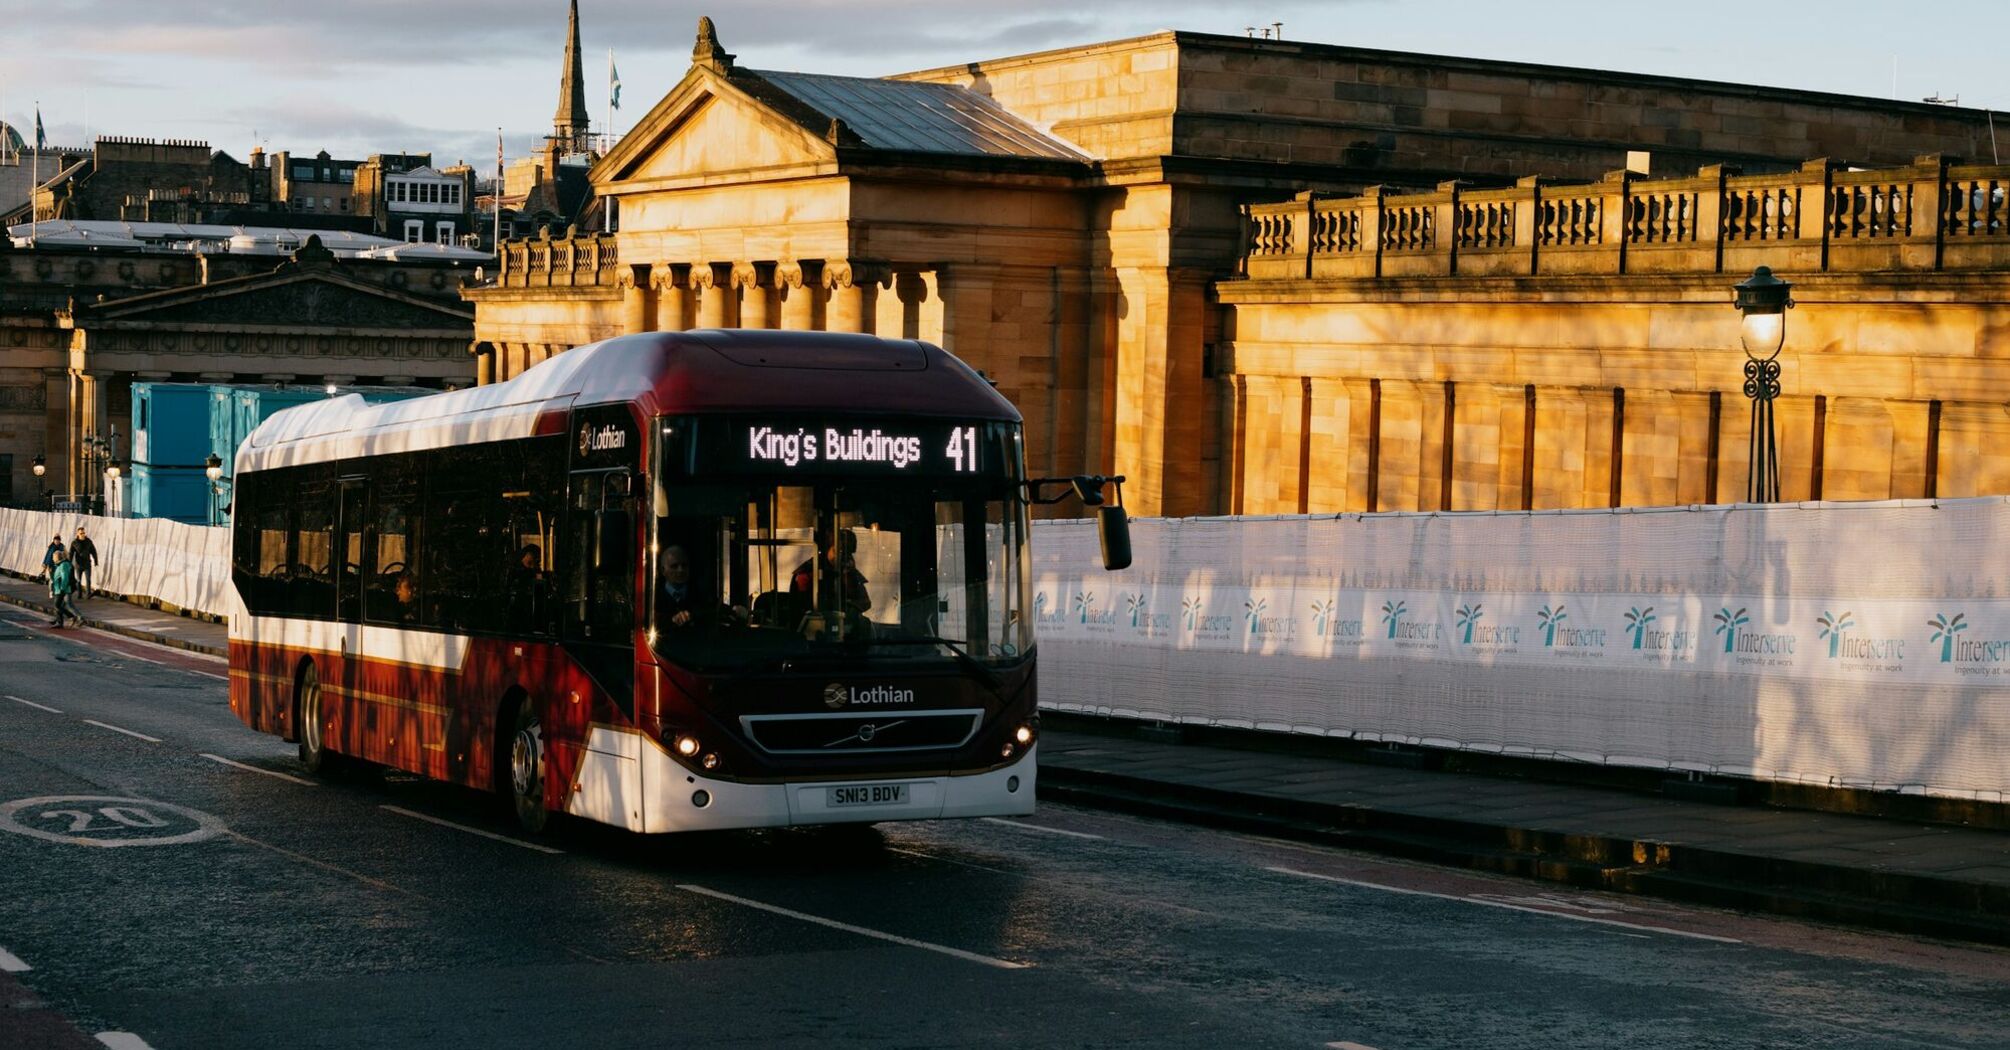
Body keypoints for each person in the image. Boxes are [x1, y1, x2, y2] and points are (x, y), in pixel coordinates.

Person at [790, 529, 871, 617]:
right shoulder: (808, 572)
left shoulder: (848, 570)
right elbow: (801, 605)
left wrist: (848, 576)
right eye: (838, 551)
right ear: (827, 549)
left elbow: (865, 602)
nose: (842, 555)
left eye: (847, 552)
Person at [48, 549, 79, 628]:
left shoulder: (63, 565)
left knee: (57, 605)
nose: (53, 559)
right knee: (59, 605)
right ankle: (59, 622)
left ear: (58, 557)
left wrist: (62, 588)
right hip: (57, 588)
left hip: (61, 589)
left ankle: (71, 617)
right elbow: (55, 577)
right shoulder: (58, 565)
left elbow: (65, 577)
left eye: (54, 557)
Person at [69, 526, 98, 599]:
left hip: (87, 563)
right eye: (81, 533)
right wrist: (69, 562)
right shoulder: (74, 543)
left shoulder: (88, 541)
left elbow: (93, 551)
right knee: (79, 580)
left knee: (88, 579)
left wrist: (96, 561)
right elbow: (71, 553)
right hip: (78, 564)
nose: (82, 534)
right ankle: (79, 594)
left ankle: (88, 594)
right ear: (78, 534)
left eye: (83, 533)